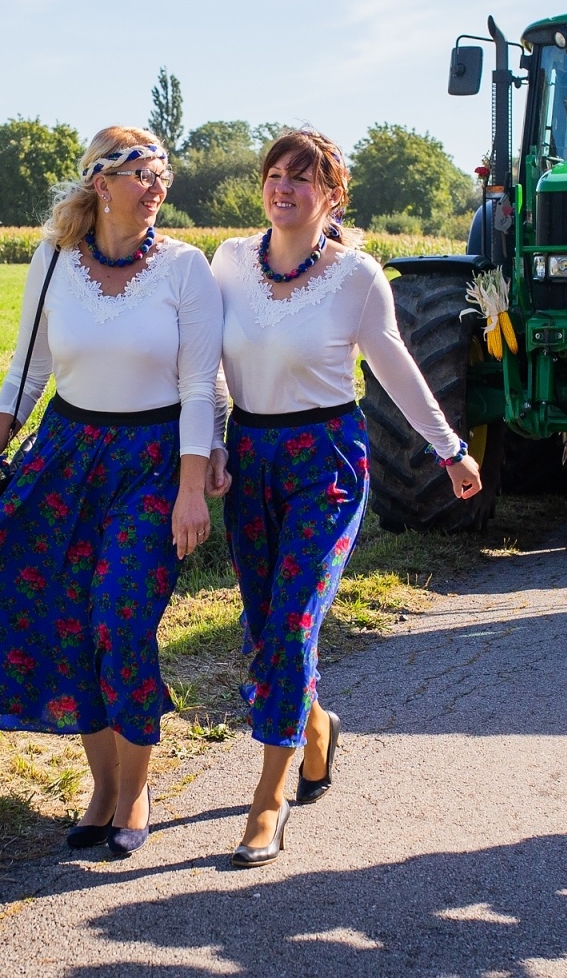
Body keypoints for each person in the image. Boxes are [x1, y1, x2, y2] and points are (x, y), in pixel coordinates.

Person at [0, 127, 222, 859]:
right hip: (66, 456)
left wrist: (192, 489)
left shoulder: (185, 268)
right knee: (73, 624)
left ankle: (137, 791)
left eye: (162, 174)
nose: (156, 187)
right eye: (140, 174)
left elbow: (197, 387)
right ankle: (103, 788)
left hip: (152, 462)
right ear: (101, 182)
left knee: (121, 619)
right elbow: (27, 372)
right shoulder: (56, 258)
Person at [207, 129, 483, 868]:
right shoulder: (228, 262)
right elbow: (205, 364)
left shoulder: (357, 277)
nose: (283, 187)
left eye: (301, 178)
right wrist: (211, 442)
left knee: (294, 622)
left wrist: (448, 448)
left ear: (331, 195)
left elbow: (395, 368)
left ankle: (268, 803)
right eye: (275, 173)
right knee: (265, 628)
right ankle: (316, 727)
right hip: (251, 457)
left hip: (325, 461)